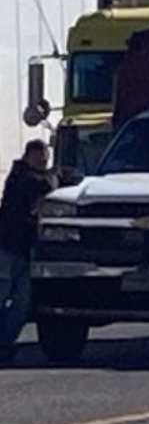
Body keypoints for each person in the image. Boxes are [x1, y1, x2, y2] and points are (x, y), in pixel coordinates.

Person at [0, 140, 54, 362]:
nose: (43, 161)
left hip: (24, 250)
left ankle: (4, 344)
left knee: (22, 304)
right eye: (40, 157)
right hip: (7, 248)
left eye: (46, 158)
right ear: (29, 156)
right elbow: (42, 186)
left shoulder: (32, 178)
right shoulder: (22, 178)